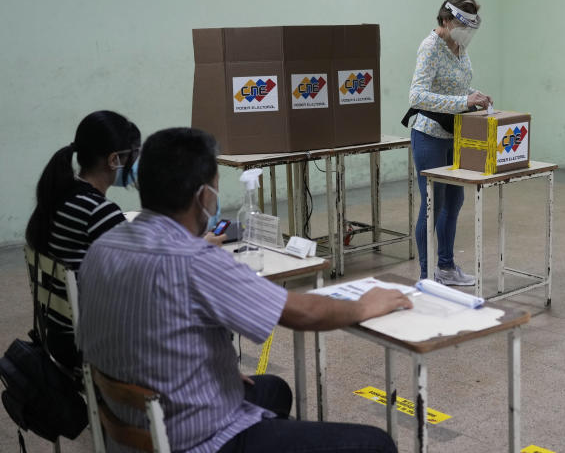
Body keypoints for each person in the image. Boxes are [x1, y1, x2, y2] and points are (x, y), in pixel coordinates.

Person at [77, 127, 409, 453]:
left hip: (131, 423)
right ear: (202, 195)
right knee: (375, 444)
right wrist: (362, 307)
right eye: (216, 188)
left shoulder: (104, 246)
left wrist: (213, 369)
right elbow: (302, 313)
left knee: (273, 390)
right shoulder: (195, 261)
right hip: (194, 439)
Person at [25, 110, 141, 370]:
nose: (136, 162)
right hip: (88, 344)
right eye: (134, 154)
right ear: (114, 160)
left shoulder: (63, 195)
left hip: (58, 335)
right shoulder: (98, 210)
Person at [405, 0, 493, 285]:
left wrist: (474, 97)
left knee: (454, 200)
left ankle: (446, 266)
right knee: (432, 203)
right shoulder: (430, 47)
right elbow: (417, 95)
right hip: (429, 133)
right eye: (461, 25)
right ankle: (427, 275)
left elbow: (455, 87)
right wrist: (464, 102)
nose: (465, 33)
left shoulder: (460, 47)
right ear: (445, 19)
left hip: (455, 132)